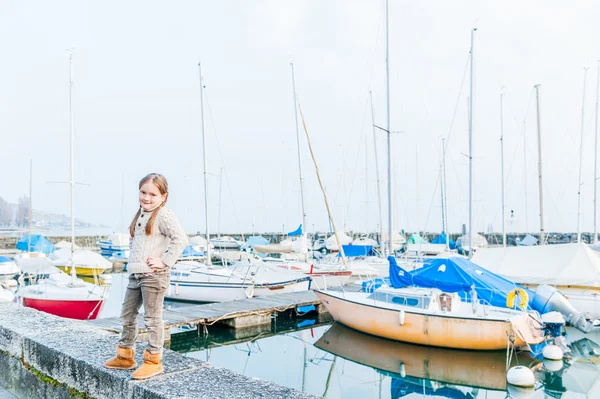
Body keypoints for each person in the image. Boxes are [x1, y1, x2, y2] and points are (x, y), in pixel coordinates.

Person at [104, 173, 187, 379]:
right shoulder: (140, 213)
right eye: (143, 192)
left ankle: (153, 360)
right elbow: (135, 242)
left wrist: (165, 261)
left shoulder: (163, 215)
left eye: (152, 194)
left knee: (152, 318)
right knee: (127, 314)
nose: (146, 197)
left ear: (163, 196)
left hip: (153, 276)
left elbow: (180, 240)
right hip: (136, 275)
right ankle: (125, 355)